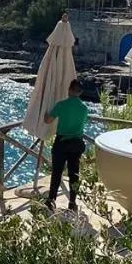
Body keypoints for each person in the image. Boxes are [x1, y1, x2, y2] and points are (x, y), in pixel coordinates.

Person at [44, 79, 89, 212]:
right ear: (80, 92)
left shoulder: (61, 105)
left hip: (62, 143)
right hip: (77, 143)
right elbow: (83, 123)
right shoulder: (84, 108)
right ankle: (73, 202)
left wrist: (43, 111)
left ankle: (51, 200)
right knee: (74, 174)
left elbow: (48, 120)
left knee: (57, 172)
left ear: (69, 89)